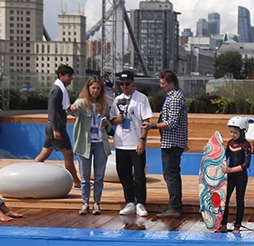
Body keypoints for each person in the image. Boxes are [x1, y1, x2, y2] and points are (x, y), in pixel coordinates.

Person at [111, 70, 153, 216]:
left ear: (133, 83)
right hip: (121, 142)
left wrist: (142, 139)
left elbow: (146, 121)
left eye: (127, 84)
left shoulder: (141, 99)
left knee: (139, 174)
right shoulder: (117, 100)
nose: (124, 87)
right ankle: (129, 201)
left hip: (136, 142)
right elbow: (112, 120)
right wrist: (117, 120)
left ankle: (140, 202)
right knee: (124, 174)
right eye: (121, 84)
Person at [148, 69, 188, 219]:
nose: (162, 86)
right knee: (172, 174)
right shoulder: (173, 96)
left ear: (171, 82)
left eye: (163, 83)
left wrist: (152, 126)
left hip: (172, 142)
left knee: (171, 175)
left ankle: (175, 206)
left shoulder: (175, 98)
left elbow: (171, 123)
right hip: (170, 141)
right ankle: (174, 204)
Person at [69, 75, 111, 215]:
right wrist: (72, 108)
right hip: (84, 144)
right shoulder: (82, 102)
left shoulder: (103, 104)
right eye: (93, 88)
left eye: (98, 88)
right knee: (85, 177)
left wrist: (106, 124)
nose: (95, 91)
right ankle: (85, 202)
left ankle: (97, 203)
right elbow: (72, 110)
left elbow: (109, 126)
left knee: (99, 176)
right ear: (88, 88)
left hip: (100, 143)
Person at [34, 64, 81, 189]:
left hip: (53, 127)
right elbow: (52, 110)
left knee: (44, 153)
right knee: (69, 155)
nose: (71, 79)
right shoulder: (57, 90)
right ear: (61, 76)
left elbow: (61, 109)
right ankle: (77, 182)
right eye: (68, 76)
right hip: (57, 127)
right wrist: (56, 129)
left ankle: (29, 172)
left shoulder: (61, 89)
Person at [217, 116, 253, 233]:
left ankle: (237, 225)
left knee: (239, 199)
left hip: (240, 176)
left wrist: (231, 170)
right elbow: (224, 157)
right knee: (225, 199)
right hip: (230, 176)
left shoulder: (246, 145)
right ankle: (223, 224)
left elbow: (246, 164)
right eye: (231, 132)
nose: (232, 134)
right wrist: (211, 150)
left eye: (235, 132)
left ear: (242, 131)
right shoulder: (230, 143)